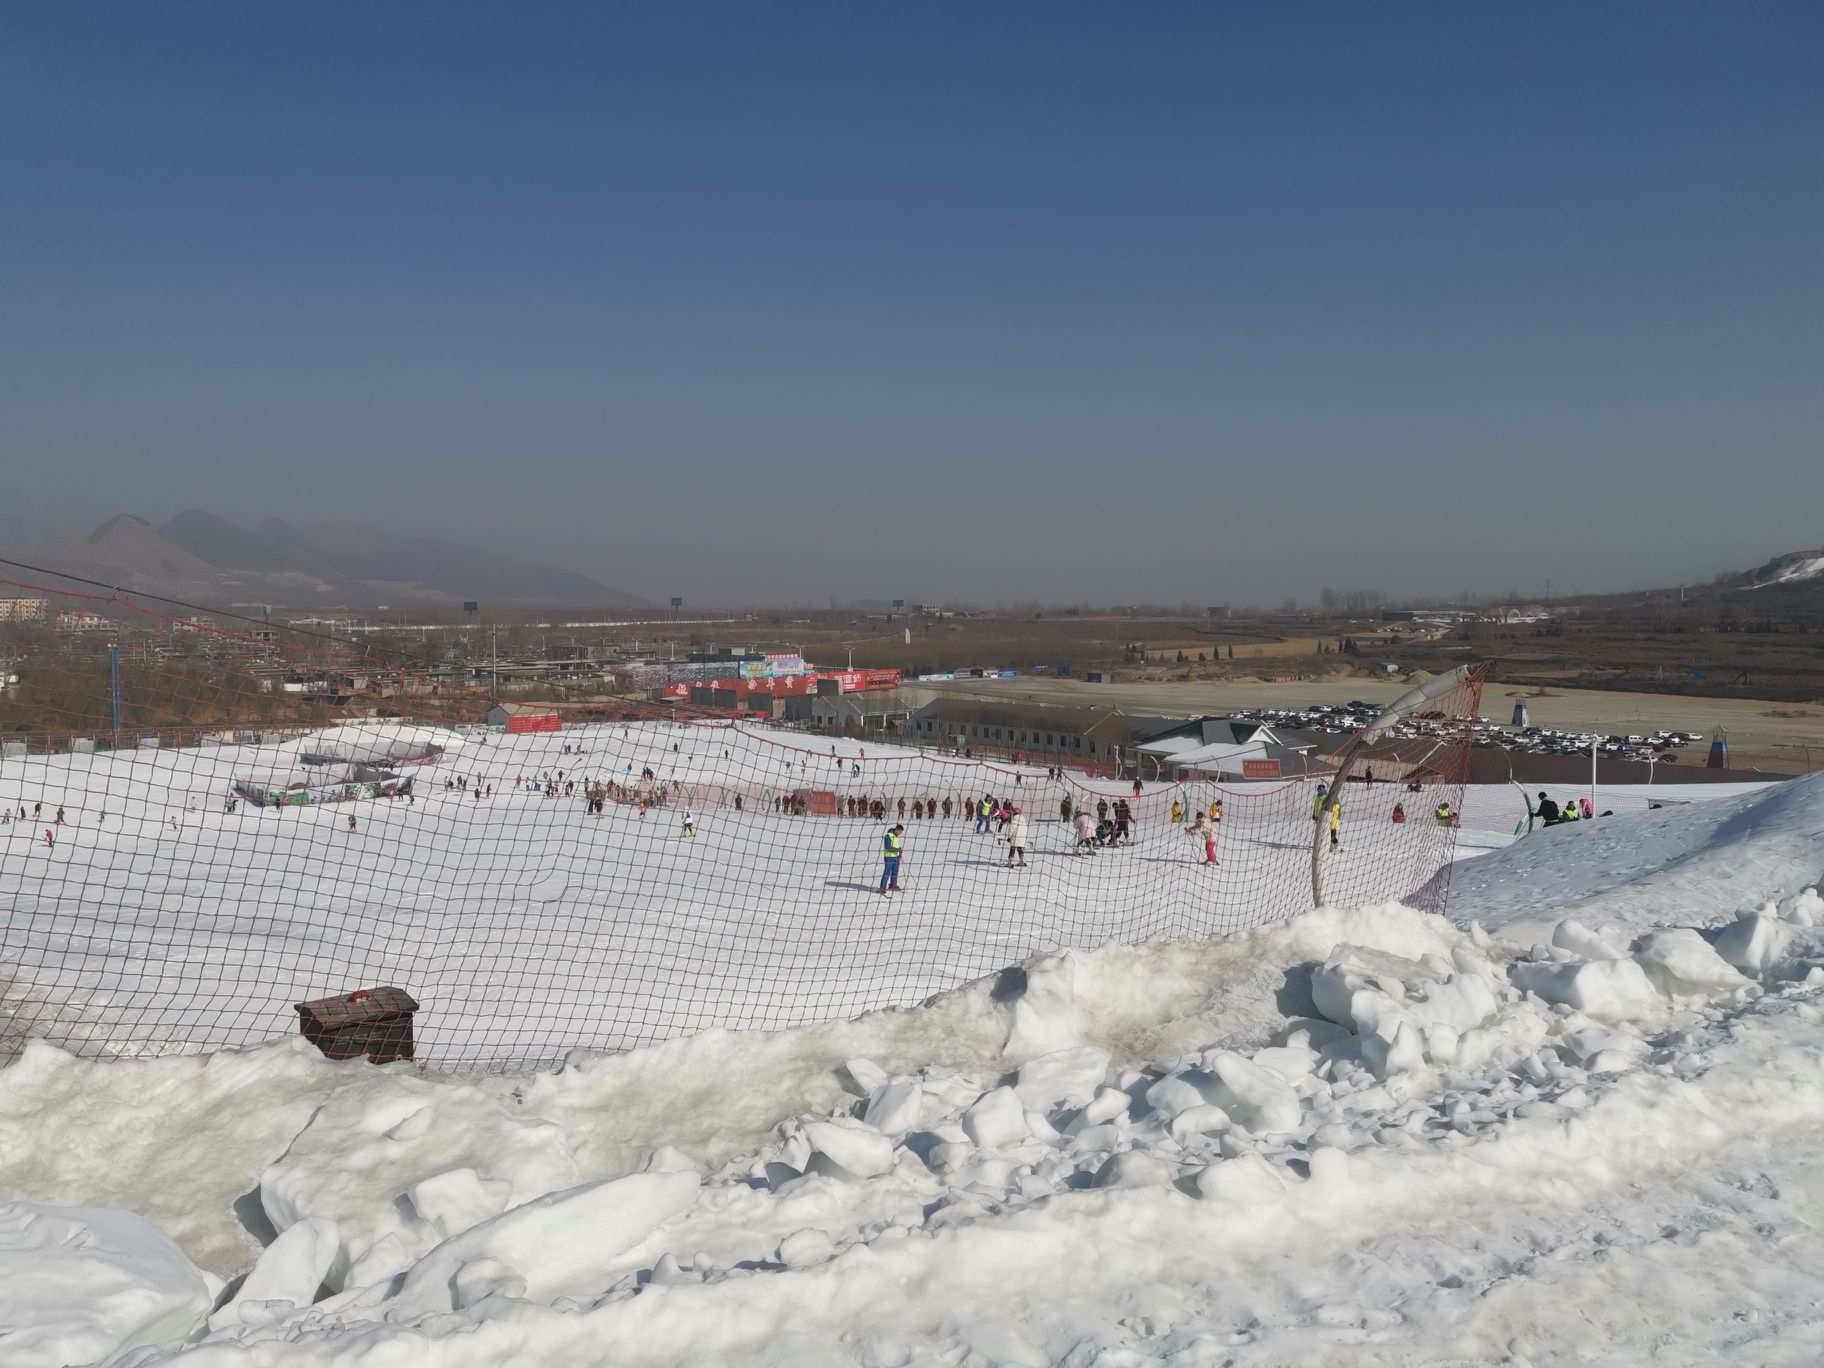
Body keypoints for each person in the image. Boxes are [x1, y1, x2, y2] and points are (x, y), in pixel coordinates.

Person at [879, 823, 904, 894]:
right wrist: (897, 850)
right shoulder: (888, 836)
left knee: (895, 872)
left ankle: (893, 885)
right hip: (889, 857)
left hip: (896, 857)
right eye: (899, 832)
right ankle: (882, 887)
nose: (900, 833)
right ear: (896, 829)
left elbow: (896, 846)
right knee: (887, 872)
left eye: (901, 832)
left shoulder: (896, 837)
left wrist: (899, 853)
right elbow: (888, 847)